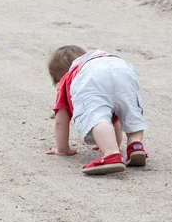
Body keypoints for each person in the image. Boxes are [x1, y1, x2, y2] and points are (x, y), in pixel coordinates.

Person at [47, 45, 148, 175]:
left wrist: (62, 149)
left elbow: (61, 121)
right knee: (130, 111)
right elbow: (114, 117)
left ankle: (111, 154)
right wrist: (113, 143)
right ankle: (135, 145)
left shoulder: (71, 77)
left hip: (93, 76)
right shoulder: (96, 59)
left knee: (97, 115)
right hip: (121, 66)